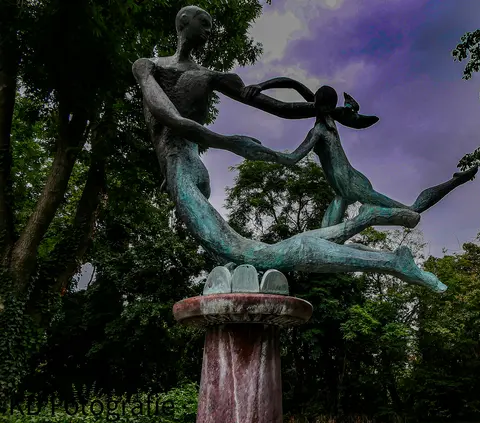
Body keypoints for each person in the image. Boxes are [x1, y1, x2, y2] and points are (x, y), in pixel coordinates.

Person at [132, 5, 447, 291]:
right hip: (181, 169)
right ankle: (364, 222)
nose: (209, 30)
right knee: (243, 257)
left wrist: (326, 110)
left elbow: (279, 108)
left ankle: (390, 260)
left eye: (211, 26)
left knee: (260, 255)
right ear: (183, 21)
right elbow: (168, 116)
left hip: (184, 169)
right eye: (204, 23)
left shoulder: (211, 76)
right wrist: (230, 143)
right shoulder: (147, 66)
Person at [246, 85, 479, 227]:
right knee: (325, 237)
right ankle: (351, 106)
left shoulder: (321, 130)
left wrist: (261, 152)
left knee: (412, 209)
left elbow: (292, 159)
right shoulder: (326, 122)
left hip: (354, 186)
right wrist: (261, 86)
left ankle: (456, 180)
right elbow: (297, 86)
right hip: (341, 193)